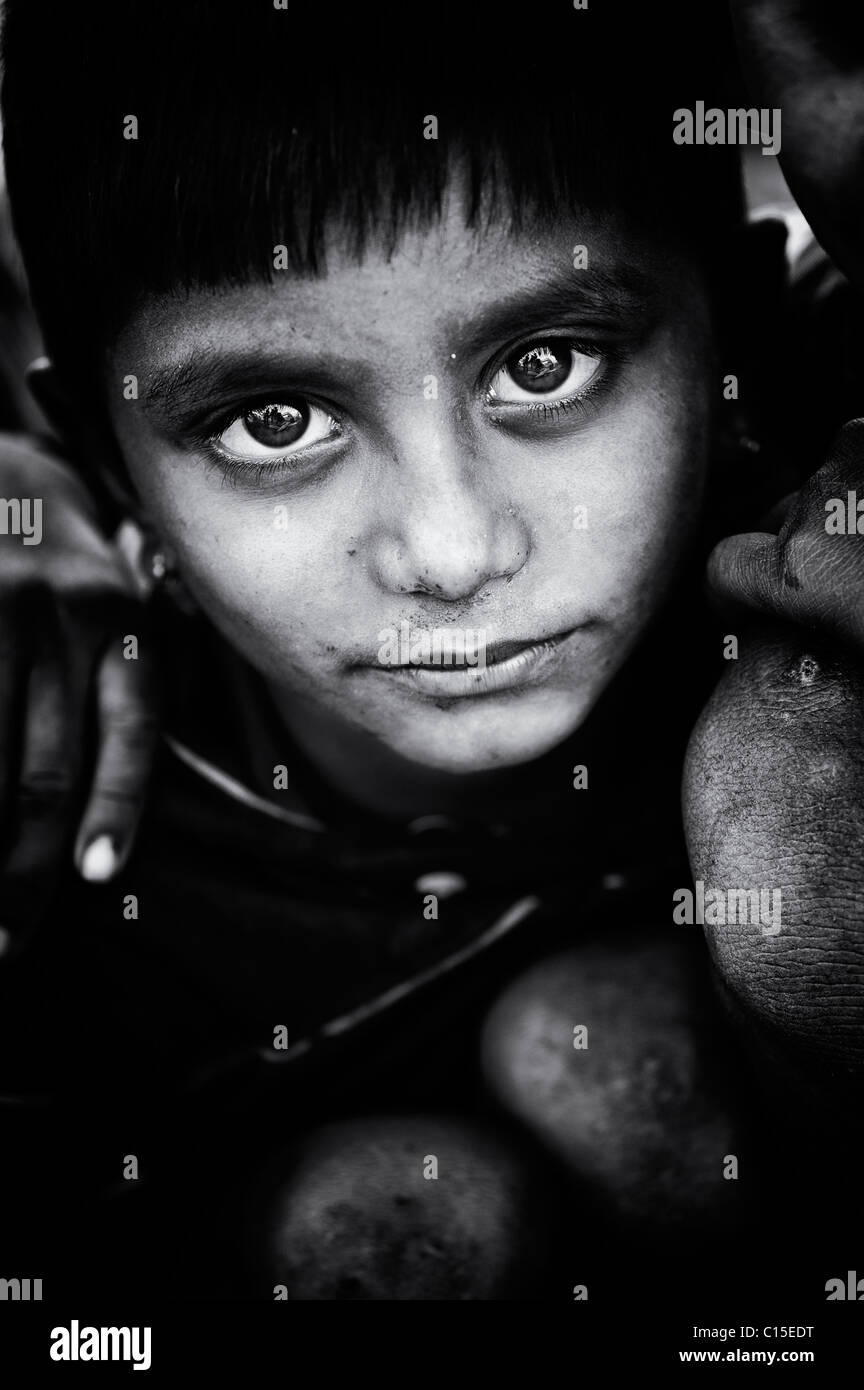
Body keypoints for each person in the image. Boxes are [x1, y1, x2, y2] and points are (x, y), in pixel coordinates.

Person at [0, 0, 863, 1301]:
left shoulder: (807, 510)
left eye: (548, 362)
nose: (454, 554)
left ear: (732, 325)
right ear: (104, 456)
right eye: (275, 418)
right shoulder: (59, 762)